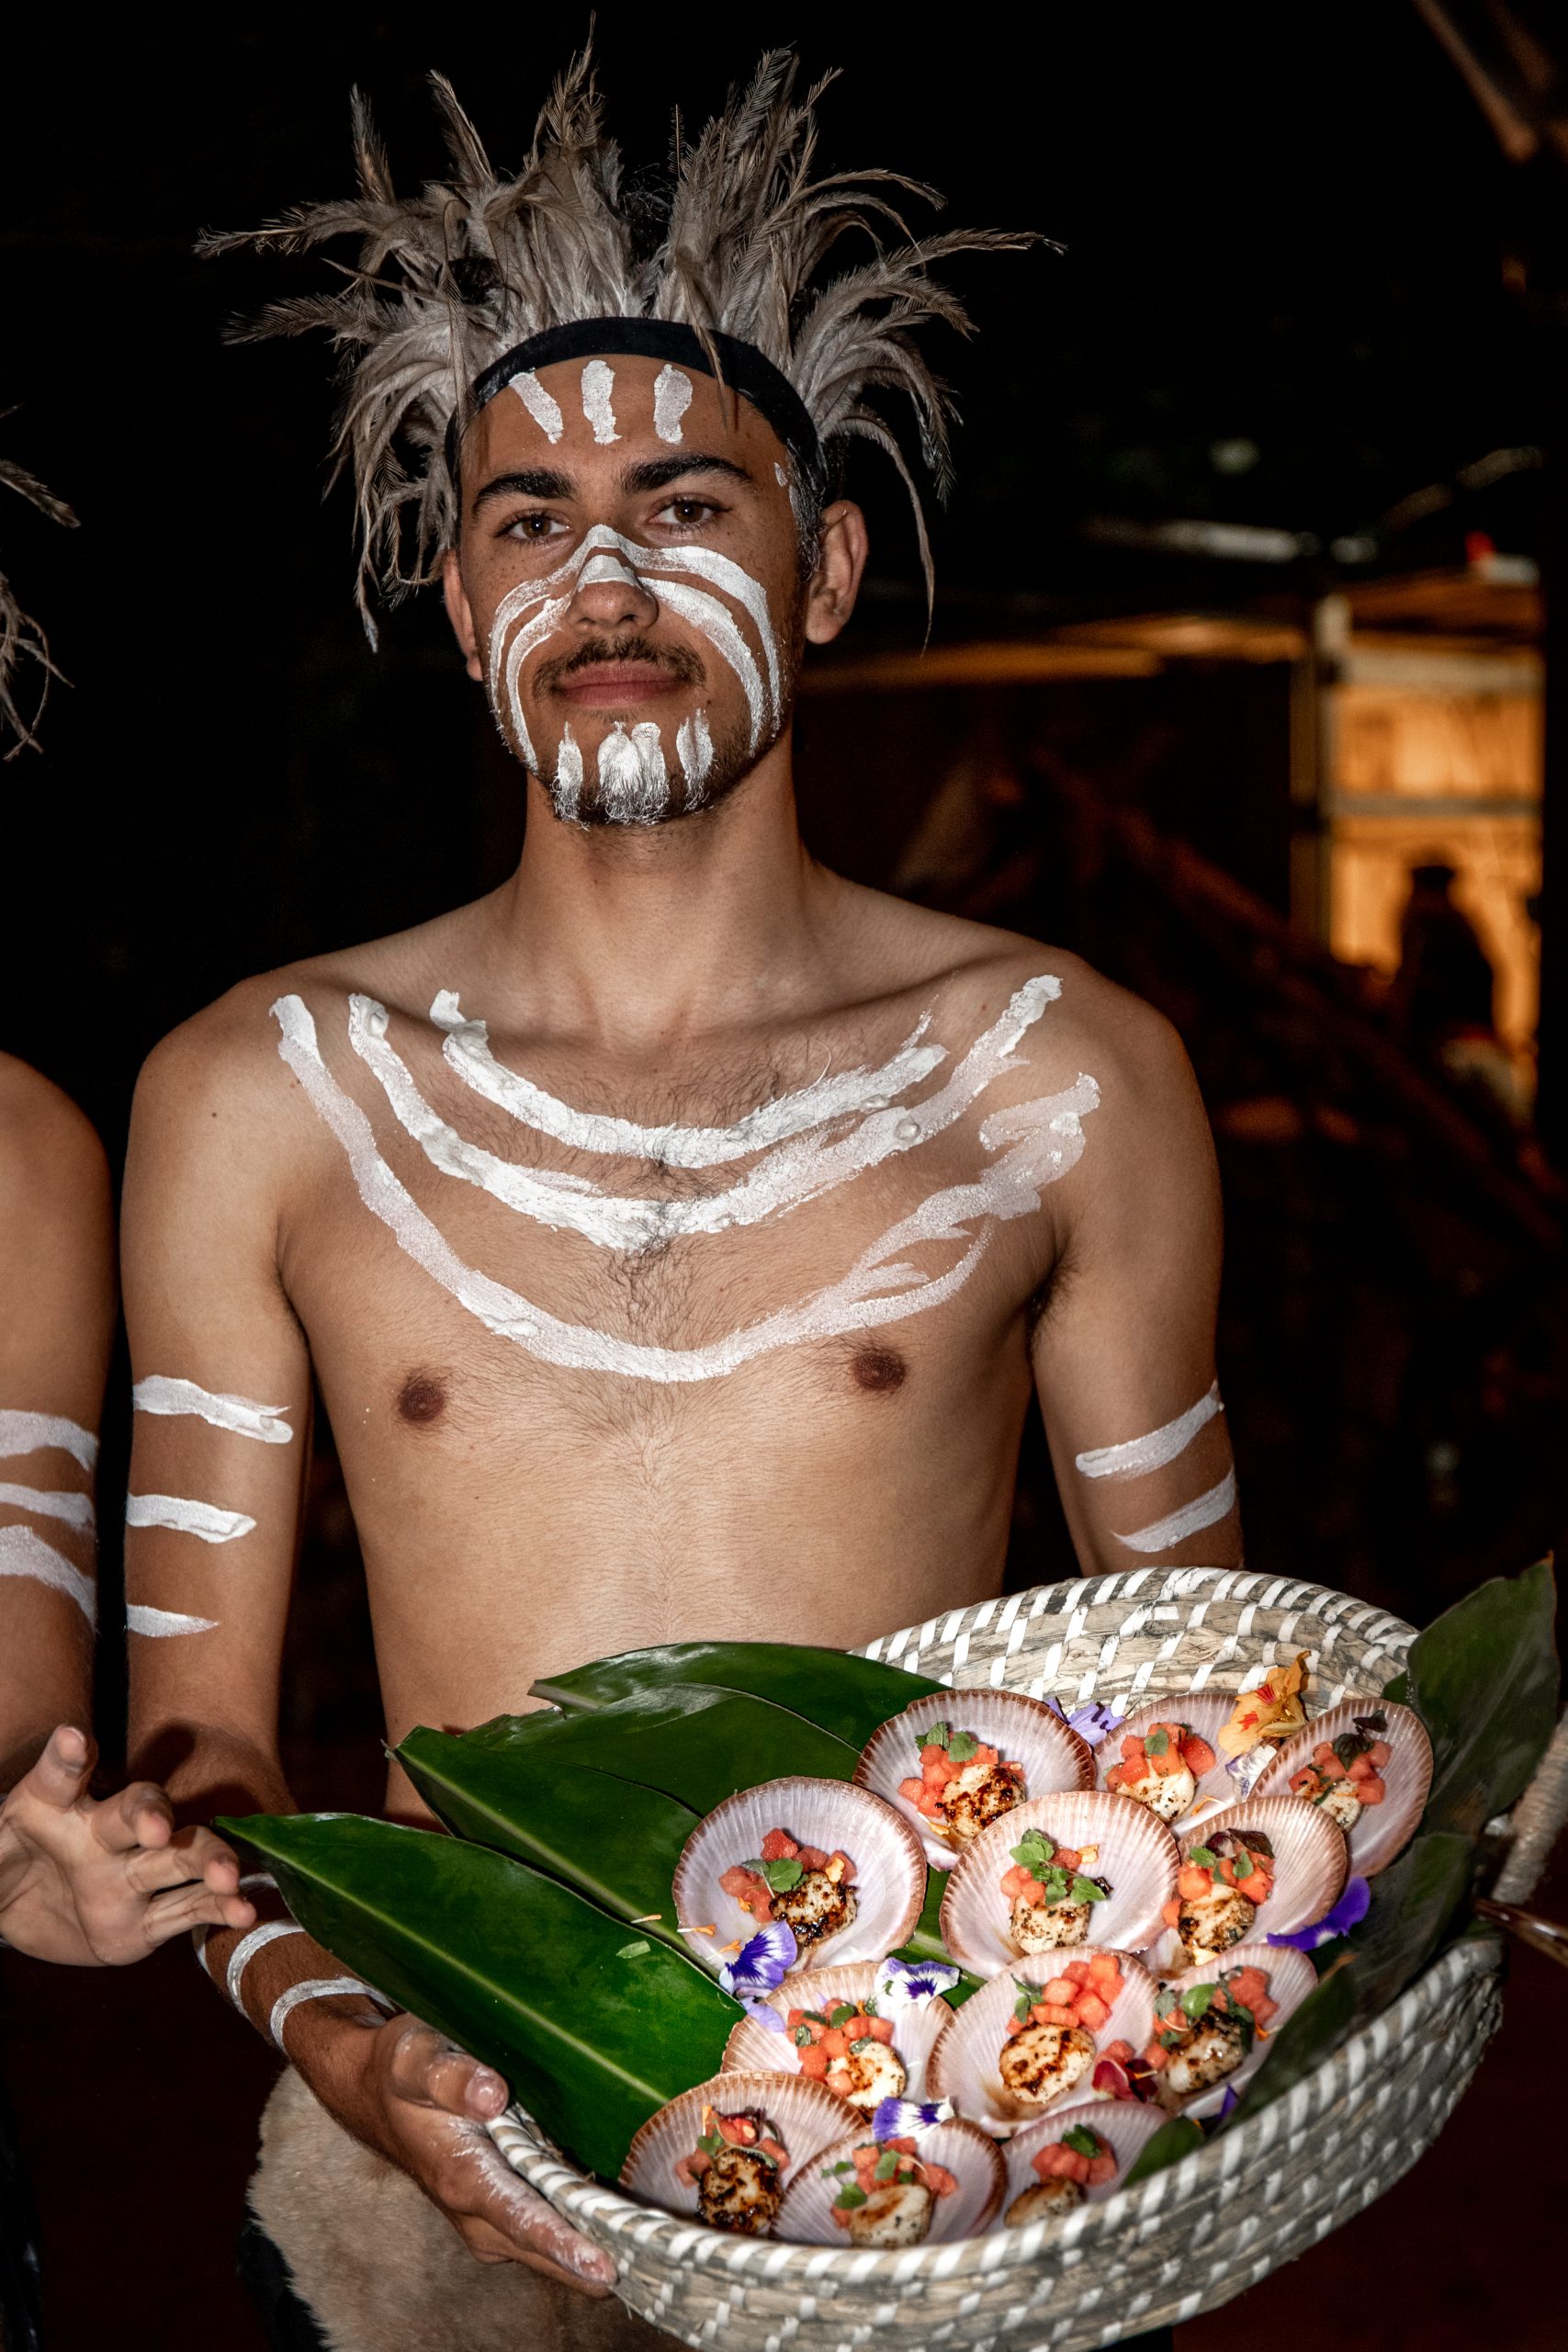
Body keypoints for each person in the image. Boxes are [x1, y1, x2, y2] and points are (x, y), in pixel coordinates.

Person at [123, 51, 1236, 2350]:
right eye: (527, 516)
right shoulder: (264, 1093)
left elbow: (1196, 1701)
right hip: (443, 2184)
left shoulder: (1056, 1076)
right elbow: (201, 1758)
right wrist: (351, 2045)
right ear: (457, 598)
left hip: (927, 2184)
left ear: (820, 568)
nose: (604, 575)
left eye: (682, 500)